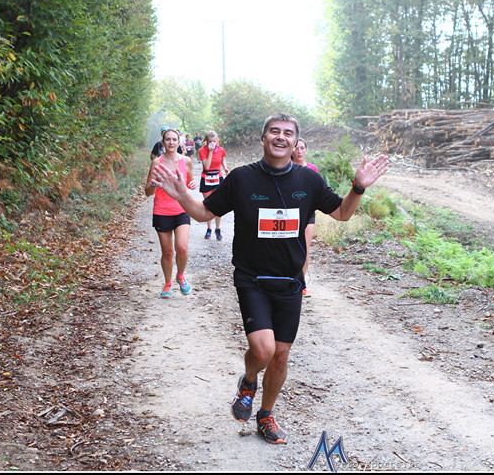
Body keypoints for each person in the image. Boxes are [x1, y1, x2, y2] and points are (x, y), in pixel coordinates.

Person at [151, 113, 389, 445]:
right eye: (274, 131)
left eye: (288, 133)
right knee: (263, 350)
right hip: (252, 278)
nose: (281, 137)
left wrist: (358, 186)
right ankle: (249, 380)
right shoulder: (242, 178)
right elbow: (205, 213)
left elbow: (342, 213)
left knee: (281, 354)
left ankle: (265, 414)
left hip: (290, 281)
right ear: (263, 139)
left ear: (295, 143)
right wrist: (181, 195)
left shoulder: (309, 180)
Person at [144, 128, 198, 298]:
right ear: (163, 142)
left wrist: (193, 184)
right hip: (162, 210)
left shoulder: (186, 161)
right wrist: (155, 183)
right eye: (168, 139)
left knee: (182, 247)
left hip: (182, 209)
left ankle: (180, 275)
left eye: (174, 139)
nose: (171, 142)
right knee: (167, 252)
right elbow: (147, 192)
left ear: (179, 142)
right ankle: (168, 283)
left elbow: (189, 183)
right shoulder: (156, 163)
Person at [291, 138, 318, 297]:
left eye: (302, 148)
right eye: (296, 148)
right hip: (290, 213)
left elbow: (318, 191)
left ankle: (302, 283)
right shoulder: (287, 167)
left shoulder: (312, 169)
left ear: (306, 150)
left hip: (308, 213)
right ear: (291, 150)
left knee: (305, 247)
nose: (299, 151)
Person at [197, 130, 229, 240]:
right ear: (206, 141)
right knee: (208, 205)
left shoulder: (221, 150)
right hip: (206, 178)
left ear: (217, 140)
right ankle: (209, 228)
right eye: (210, 141)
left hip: (217, 178)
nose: (212, 144)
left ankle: (218, 229)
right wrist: (210, 151)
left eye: (214, 141)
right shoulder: (202, 150)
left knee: (218, 204)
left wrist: (225, 168)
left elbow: (222, 160)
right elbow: (206, 166)